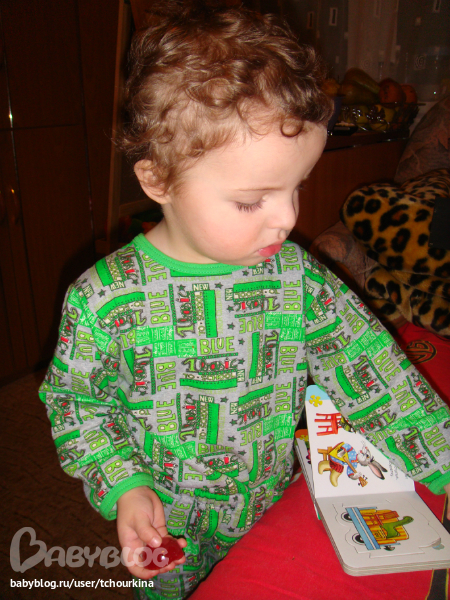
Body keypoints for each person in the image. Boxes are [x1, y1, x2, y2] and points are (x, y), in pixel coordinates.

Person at [38, 2, 450, 599]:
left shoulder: (295, 278)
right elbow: (76, 404)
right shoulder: (102, 300)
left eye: (296, 186)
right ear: (158, 181)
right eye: (252, 200)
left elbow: (373, 370)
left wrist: (442, 457)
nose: (287, 219)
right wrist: (123, 484)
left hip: (266, 507)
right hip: (165, 522)